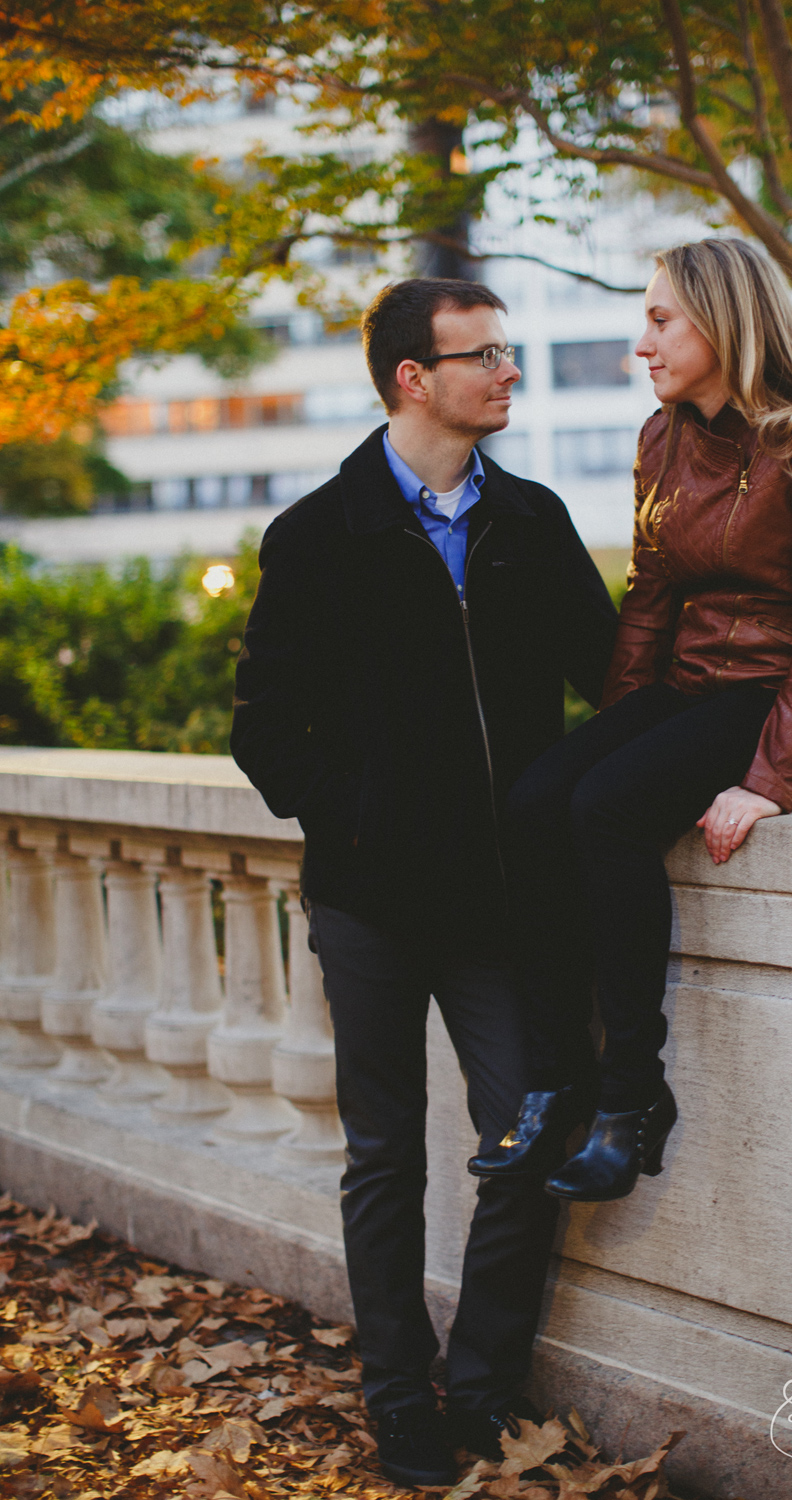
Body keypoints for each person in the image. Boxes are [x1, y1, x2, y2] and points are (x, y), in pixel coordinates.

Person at [230, 277, 618, 1487]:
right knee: (385, 1156)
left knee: (539, 1128)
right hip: (370, 905)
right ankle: (399, 1399)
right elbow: (264, 731)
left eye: (505, 351)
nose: (509, 372)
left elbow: (615, 685)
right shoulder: (315, 535)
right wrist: (364, 823)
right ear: (415, 377)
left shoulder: (533, 522)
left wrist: (763, 760)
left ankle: (485, 1382)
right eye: (485, 354)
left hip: (502, 908)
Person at [470, 238, 792, 1206]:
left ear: (724, 320)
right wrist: (624, 732)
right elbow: (651, 602)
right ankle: (557, 1082)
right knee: (544, 797)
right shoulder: (663, 436)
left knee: (609, 809)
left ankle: (631, 1102)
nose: (642, 344)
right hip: (700, 691)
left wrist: (773, 779)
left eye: (660, 319)